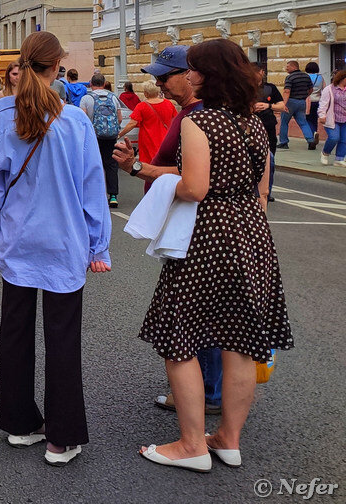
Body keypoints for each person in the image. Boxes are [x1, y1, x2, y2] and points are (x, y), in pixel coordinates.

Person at [138, 39, 293, 471]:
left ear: (206, 75)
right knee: (240, 342)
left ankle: (191, 445)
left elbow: (194, 187)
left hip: (209, 237)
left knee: (179, 336)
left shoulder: (200, 121)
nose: (188, 76)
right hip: (253, 235)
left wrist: (159, 180)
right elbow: (262, 192)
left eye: (193, 70)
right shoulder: (252, 124)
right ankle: (228, 439)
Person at [0, 31, 112, 466]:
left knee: (14, 332)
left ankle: (19, 423)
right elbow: (91, 188)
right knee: (62, 337)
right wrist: (99, 245)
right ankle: (62, 435)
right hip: (65, 241)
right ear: (57, 67)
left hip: (19, 238)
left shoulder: (0, 116)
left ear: (23, 63)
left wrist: (0, 234)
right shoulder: (73, 121)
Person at [112, 45, 224, 417]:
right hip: (196, 223)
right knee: (207, 312)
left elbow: (191, 179)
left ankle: (205, 392)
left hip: (195, 225)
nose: (160, 83)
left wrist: (137, 168)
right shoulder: (196, 113)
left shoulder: (200, 117)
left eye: (166, 76)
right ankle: (207, 389)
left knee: (194, 314)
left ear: (193, 74)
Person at [79, 73, 122, 208]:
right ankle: (113, 196)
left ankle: (95, 196)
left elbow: (83, 119)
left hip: (94, 137)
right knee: (111, 165)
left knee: (92, 164)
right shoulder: (113, 97)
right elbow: (119, 118)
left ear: (91, 84)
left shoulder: (86, 98)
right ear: (104, 83)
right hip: (111, 136)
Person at [117, 80, 175, 164]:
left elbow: (132, 123)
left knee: (150, 167)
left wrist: (120, 134)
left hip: (148, 141)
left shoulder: (142, 106)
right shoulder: (169, 104)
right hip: (166, 139)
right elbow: (175, 120)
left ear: (147, 93)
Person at [254, 65, 284, 197]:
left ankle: (267, 192)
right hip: (250, 129)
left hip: (268, 127)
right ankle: (254, 189)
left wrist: (268, 105)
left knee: (269, 162)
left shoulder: (270, 88)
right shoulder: (243, 87)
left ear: (262, 72)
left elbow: (282, 106)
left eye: (256, 72)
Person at [278, 59, 317, 150]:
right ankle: (310, 140)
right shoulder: (306, 76)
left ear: (293, 66)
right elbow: (311, 89)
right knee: (303, 122)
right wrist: (304, 96)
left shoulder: (290, 77)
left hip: (290, 102)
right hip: (301, 102)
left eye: (288, 67)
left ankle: (284, 142)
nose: (286, 69)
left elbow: (287, 91)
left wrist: (284, 104)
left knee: (284, 122)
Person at [317, 67, 346, 166]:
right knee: (334, 137)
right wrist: (322, 115)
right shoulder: (329, 89)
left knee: (344, 139)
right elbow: (323, 103)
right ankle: (325, 153)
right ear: (342, 78)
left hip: (344, 118)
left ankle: (339, 159)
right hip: (332, 118)